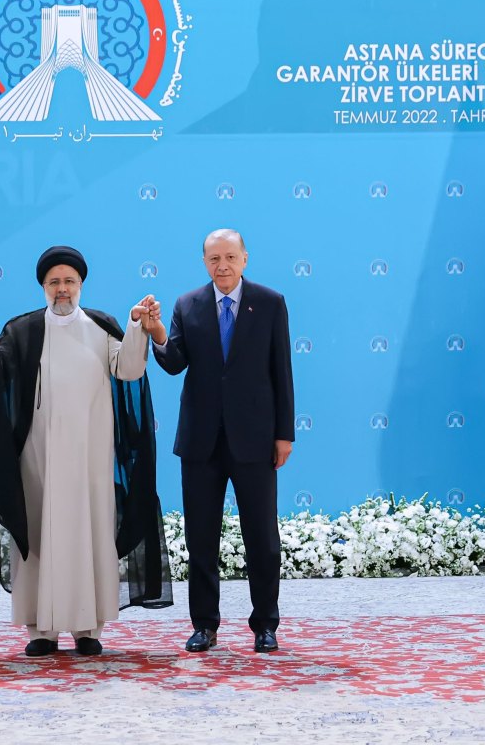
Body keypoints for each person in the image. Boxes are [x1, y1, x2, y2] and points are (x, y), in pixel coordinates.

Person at [0, 246, 172, 657]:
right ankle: (40, 631)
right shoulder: (23, 331)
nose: (62, 289)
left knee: (90, 534)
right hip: (38, 458)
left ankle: (88, 627)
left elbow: (129, 369)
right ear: (43, 287)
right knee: (38, 535)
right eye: (54, 282)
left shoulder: (101, 327)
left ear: (81, 285)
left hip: (90, 456)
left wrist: (138, 328)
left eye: (69, 281)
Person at [148, 229, 294, 654]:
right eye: (214, 259)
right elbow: (174, 363)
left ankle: (265, 624)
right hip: (201, 442)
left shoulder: (270, 303)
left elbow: (281, 371)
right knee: (201, 538)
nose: (223, 266)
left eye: (230, 257)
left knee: (263, 538)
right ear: (204, 262)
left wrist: (284, 434)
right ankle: (204, 626)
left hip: (256, 440)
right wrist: (157, 331)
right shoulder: (186, 305)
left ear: (245, 258)